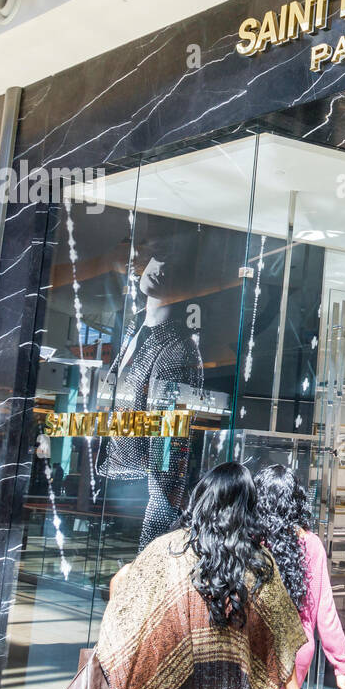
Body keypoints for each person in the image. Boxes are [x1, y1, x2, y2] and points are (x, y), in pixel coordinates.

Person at [95, 462, 308, 689]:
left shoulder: (166, 551)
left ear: (202, 499)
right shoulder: (259, 564)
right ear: (248, 508)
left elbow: (120, 588)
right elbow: (281, 638)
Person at [98, 232, 205, 550]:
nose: (159, 269)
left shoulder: (177, 350)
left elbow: (168, 452)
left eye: (171, 266)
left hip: (138, 485)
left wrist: (151, 544)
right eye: (157, 259)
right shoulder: (133, 327)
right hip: (113, 477)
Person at [254, 465, 345, 689]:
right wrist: (343, 667)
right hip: (297, 650)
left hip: (255, 645)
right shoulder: (310, 544)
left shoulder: (252, 542)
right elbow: (326, 611)